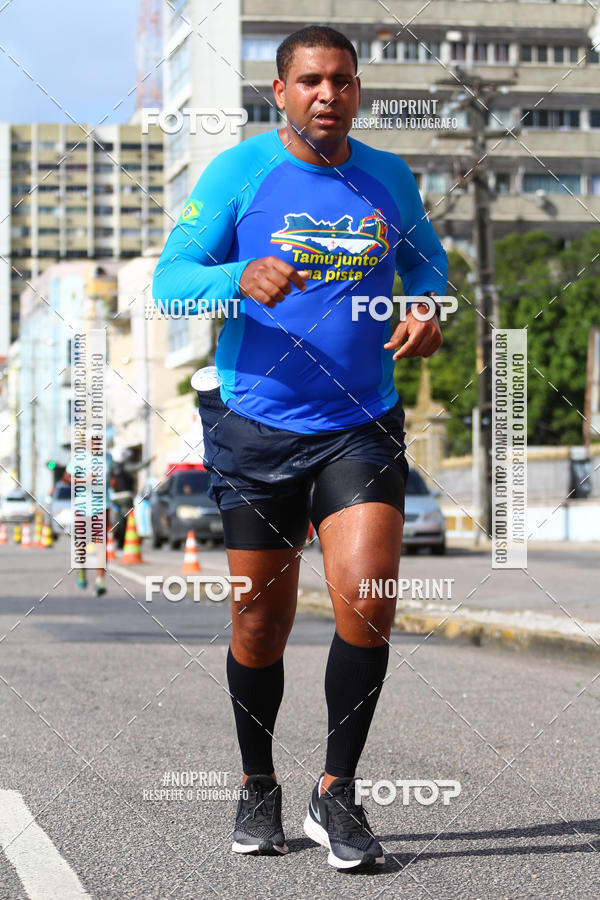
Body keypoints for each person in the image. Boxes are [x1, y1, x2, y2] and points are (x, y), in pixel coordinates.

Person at [153, 25, 447, 870]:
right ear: (278, 92)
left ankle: (337, 792)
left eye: (344, 81)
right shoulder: (240, 174)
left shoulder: (389, 178)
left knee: (369, 597)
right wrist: (233, 278)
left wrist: (427, 308)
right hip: (256, 424)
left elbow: (430, 270)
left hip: (360, 422)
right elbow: (169, 283)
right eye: (311, 80)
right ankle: (257, 784)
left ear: (358, 91)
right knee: (260, 623)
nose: (329, 94)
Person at [63, 449, 112, 597]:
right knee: (81, 543)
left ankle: (100, 581)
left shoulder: (108, 457)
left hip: (103, 506)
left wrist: (114, 482)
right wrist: (84, 481)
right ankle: (82, 571)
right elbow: (66, 478)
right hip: (83, 506)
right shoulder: (79, 458)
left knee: (101, 544)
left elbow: (113, 477)